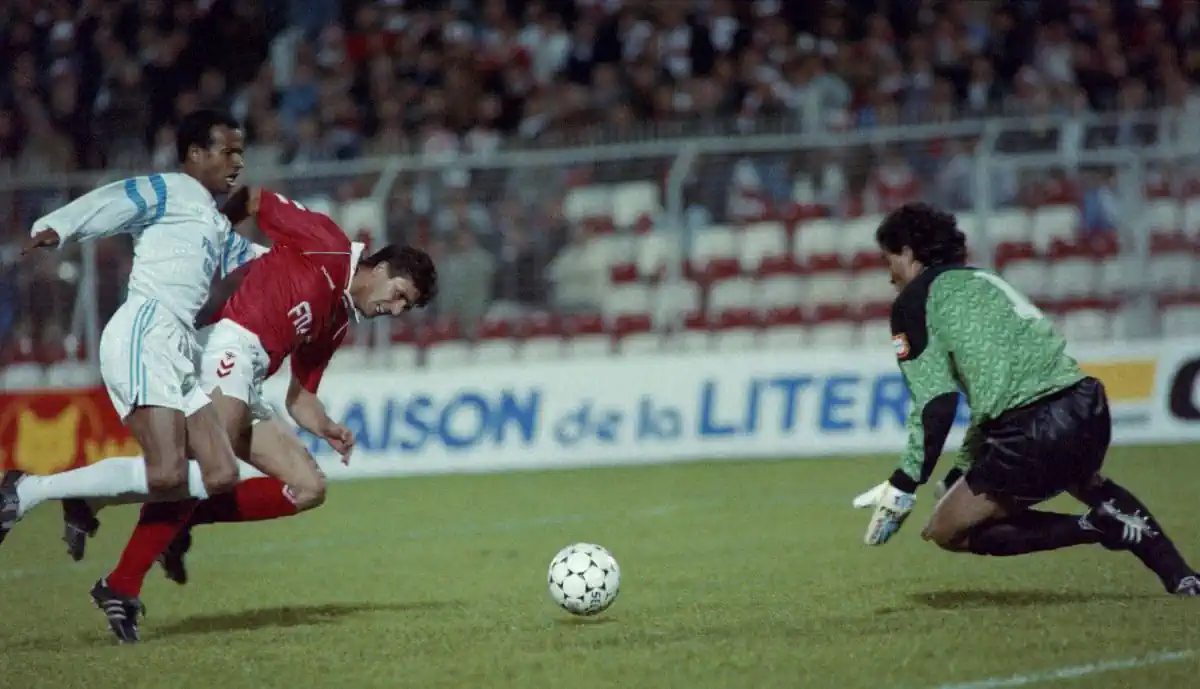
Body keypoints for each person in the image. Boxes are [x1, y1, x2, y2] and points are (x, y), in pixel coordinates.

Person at [66, 187, 438, 642]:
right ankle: (116, 572)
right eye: (398, 295)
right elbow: (257, 198)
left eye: (406, 307)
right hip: (226, 348)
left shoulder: (338, 320)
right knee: (202, 468)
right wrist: (210, 240)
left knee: (307, 487)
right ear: (378, 269)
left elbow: (300, 399)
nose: (395, 310)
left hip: (250, 377)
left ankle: (166, 521)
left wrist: (327, 428)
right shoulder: (329, 242)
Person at [851, 202, 1199, 596]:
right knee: (1088, 482)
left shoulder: (915, 302)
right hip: (1086, 406)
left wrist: (904, 483)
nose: (889, 275)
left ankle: (1093, 526)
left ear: (909, 253)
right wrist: (962, 467)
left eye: (890, 259)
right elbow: (994, 386)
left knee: (944, 530)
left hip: (1032, 427)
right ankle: (1182, 577)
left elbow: (936, 403)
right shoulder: (983, 280)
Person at [1, 109, 253, 546]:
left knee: (221, 472)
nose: (237, 162)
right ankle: (27, 490)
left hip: (177, 345)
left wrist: (331, 269)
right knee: (168, 471)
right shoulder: (172, 188)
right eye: (227, 151)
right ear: (195, 153)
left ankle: (83, 501)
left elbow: (257, 261)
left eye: (240, 153)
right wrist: (57, 226)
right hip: (146, 329)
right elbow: (118, 198)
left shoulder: (212, 220)